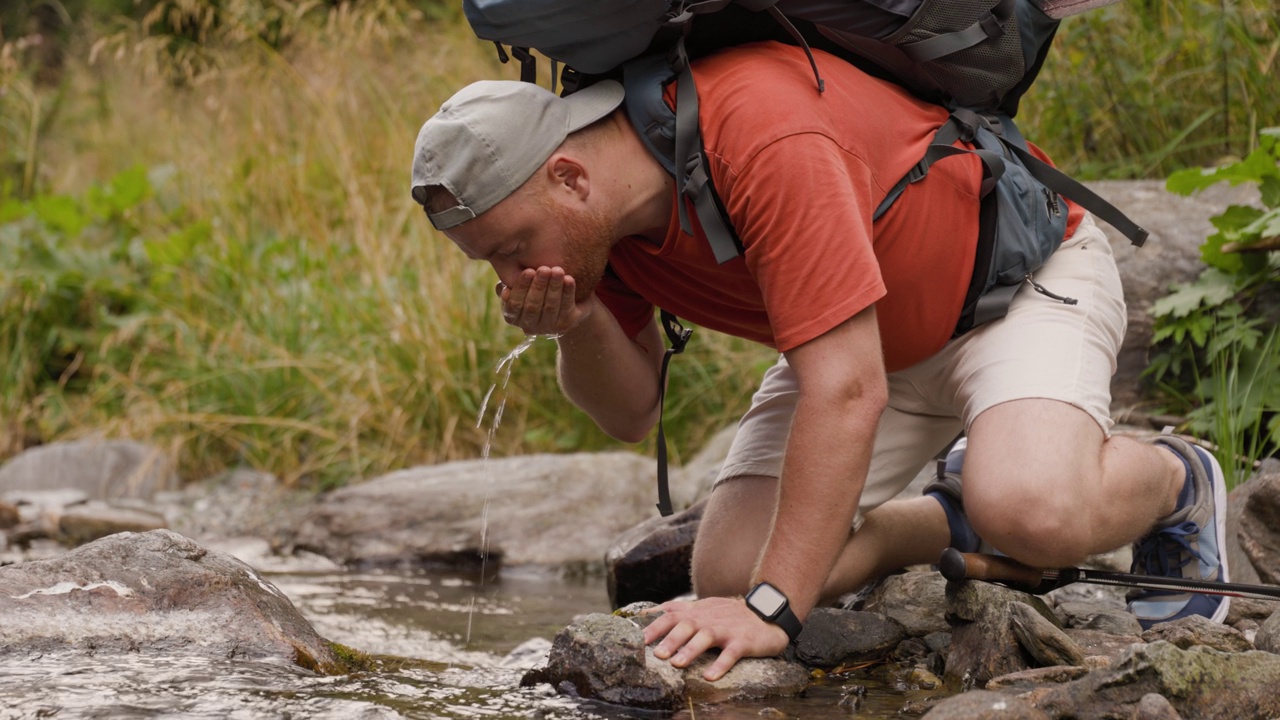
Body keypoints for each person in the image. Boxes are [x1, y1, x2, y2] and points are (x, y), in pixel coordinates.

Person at [409, 40, 1229, 681]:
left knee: (1037, 515)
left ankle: (1176, 478)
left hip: (1010, 293)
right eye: (491, 261)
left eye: (515, 248)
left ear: (569, 176)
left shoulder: (759, 131)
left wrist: (776, 609)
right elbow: (630, 414)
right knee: (726, 573)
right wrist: (577, 319)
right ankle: (951, 513)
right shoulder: (599, 234)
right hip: (868, 336)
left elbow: (845, 393)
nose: (510, 277)